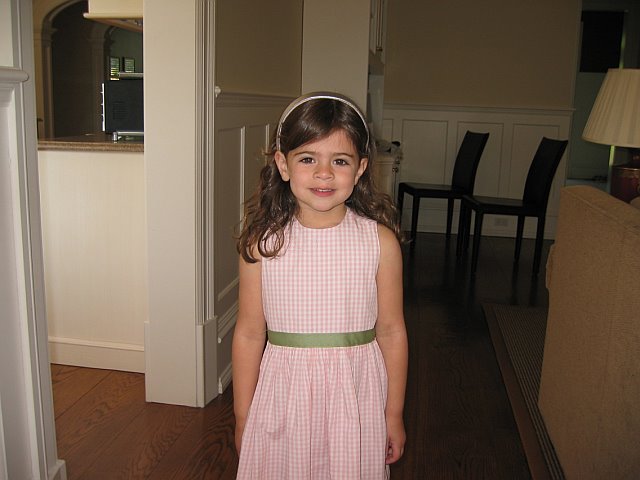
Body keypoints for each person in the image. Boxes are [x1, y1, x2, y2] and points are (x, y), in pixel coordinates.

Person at [233, 92, 408, 479]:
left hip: (355, 397)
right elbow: (248, 333)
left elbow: (392, 331)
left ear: (360, 169)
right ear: (283, 164)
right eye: (308, 159)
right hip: (285, 398)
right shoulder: (263, 245)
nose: (324, 173)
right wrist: (243, 416)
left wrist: (393, 413)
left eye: (340, 161)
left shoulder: (379, 243)